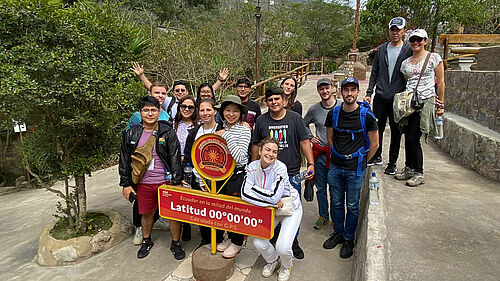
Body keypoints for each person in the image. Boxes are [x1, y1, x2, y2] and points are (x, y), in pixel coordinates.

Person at [119, 96, 186, 260]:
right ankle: (146, 240)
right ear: (140, 112)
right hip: (144, 183)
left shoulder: (167, 131)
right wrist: (126, 184)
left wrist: (176, 182)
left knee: (173, 215)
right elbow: (124, 160)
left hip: (166, 182)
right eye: (146, 110)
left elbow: (175, 157)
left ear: (159, 111)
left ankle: (176, 243)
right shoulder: (132, 133)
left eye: (153, 110)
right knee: (147, 213)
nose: (150, 113)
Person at [251, 87, 314, 259]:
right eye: (270, 100)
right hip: (268, 175)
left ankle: (293, 241)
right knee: (272, 209)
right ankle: (275, 238)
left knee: (291, 210)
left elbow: (304, 141)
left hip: (291, 174)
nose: (274, 102)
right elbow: (256, 144)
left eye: (277, 99)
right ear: (267, 102)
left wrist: (311, 163)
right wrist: (254, 166)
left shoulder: (295, 118)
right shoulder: (262, 120)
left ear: (284, 100)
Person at [323, 77, 379, 259]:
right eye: (346, 90)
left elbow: (375, 144)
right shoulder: (334, 114)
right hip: (337, 167)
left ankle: (349, 238)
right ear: (341, 92)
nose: (349, 93)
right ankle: (338, 233)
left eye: (353, 90)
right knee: (337, 202)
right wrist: (339, 154)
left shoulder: (367, 116)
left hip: (355, 169)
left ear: (357, 92)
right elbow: (330, 138)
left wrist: (361, 163)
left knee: (353, 206)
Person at [242, 138, 302, 281]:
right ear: (260, 150)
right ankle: (273, 260)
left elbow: (275, 196)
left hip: (289, 207)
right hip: (272, 208)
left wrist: (254, 190)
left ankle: (286, 265)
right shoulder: (251, 167)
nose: (271, 154)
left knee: (282, 246)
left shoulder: (280, 168)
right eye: (267, 150)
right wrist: (270, 203)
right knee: (258, 242)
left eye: (275, 152)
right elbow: (244, 194)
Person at [396, 29, 445, 187]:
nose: (416, 43)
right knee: (407, 136)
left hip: (426, 101)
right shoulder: (406, 63)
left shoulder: (433, 58)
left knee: (413, 137)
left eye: (419, 40)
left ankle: (419, 172)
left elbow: (441, 82)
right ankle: (409, 168)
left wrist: (440, 105)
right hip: (410, 102)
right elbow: (406, 79)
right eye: (413, 40)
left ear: (426, 41)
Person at [364, 17, 412, 175]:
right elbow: (374, 72)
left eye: (398, 30)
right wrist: (369, 92)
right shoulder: (383, 49)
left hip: (398, 98)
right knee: (377, 128)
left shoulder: (408, 49)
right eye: (392, 29)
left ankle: (392, 162)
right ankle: (376, 155)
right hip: (380, 96)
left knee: (396, 131)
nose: (395, 33)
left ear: (404, 31)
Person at [124, 82, 170, 246]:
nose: (160, 95)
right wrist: (125, 182)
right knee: (140, 203)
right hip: (140, 171)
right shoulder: (136, 120)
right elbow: (126, 151)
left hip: (160, 171)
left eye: (163, 93)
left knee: (159, 201)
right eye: (157, 92)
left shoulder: (166, 116)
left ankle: (157, 220)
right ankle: (140, 228)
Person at [212, 95, 252, 258]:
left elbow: (241, 157)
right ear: (222, 112)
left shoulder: (244, 129)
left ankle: (237, 242)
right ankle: (229, 238)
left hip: (237, 175)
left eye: (235, 111)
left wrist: (226, 135)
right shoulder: (220, 128)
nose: (231, 114)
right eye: (227, 110)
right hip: (221, 176)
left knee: (236, 209)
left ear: (240, 113)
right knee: (223, 209)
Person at [182, 98, 223, 248]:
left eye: (208, 110)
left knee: (218, 211)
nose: (205, 113)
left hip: (219, 178)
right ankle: (205, 239)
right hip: (198, 178)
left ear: (215, 111)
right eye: (202, 110)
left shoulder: (223, 129)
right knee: (203, 210)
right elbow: (188, 156)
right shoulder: (194, 132)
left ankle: (218, 239)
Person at [303, 78, 337, 230]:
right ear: (318, 91)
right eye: (321, 89)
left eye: (327, 88)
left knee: (336, 188)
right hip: (321, 154)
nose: (324, 91)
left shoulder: (341, 106)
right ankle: (324, 216)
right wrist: (311, 136)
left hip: (337, 155)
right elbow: (304, 124)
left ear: (332, 88)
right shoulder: (314, 109)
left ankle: (337, 218)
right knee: (321, 188)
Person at [173, 96, 198, 242]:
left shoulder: (199, 125)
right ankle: (185, 225)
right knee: (182, 196)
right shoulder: (173, 124)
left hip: (193, 165)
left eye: (190, 107)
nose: (187, 109)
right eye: (184, 106)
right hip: (177, 164)